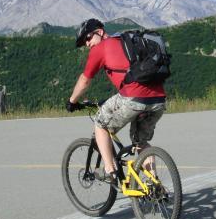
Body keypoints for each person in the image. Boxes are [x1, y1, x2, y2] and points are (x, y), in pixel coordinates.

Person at [66, 19, 167, 185]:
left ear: (99, 31)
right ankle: (154, 185)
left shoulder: (101, 48)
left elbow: (84, 80)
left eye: (88, 37)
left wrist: (72, 101)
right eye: (84, 41)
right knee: (141, 142)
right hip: (158, 99)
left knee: (100, 125)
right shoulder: (126, 42)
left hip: (133, 97)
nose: (87, 43)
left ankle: (110, 170)